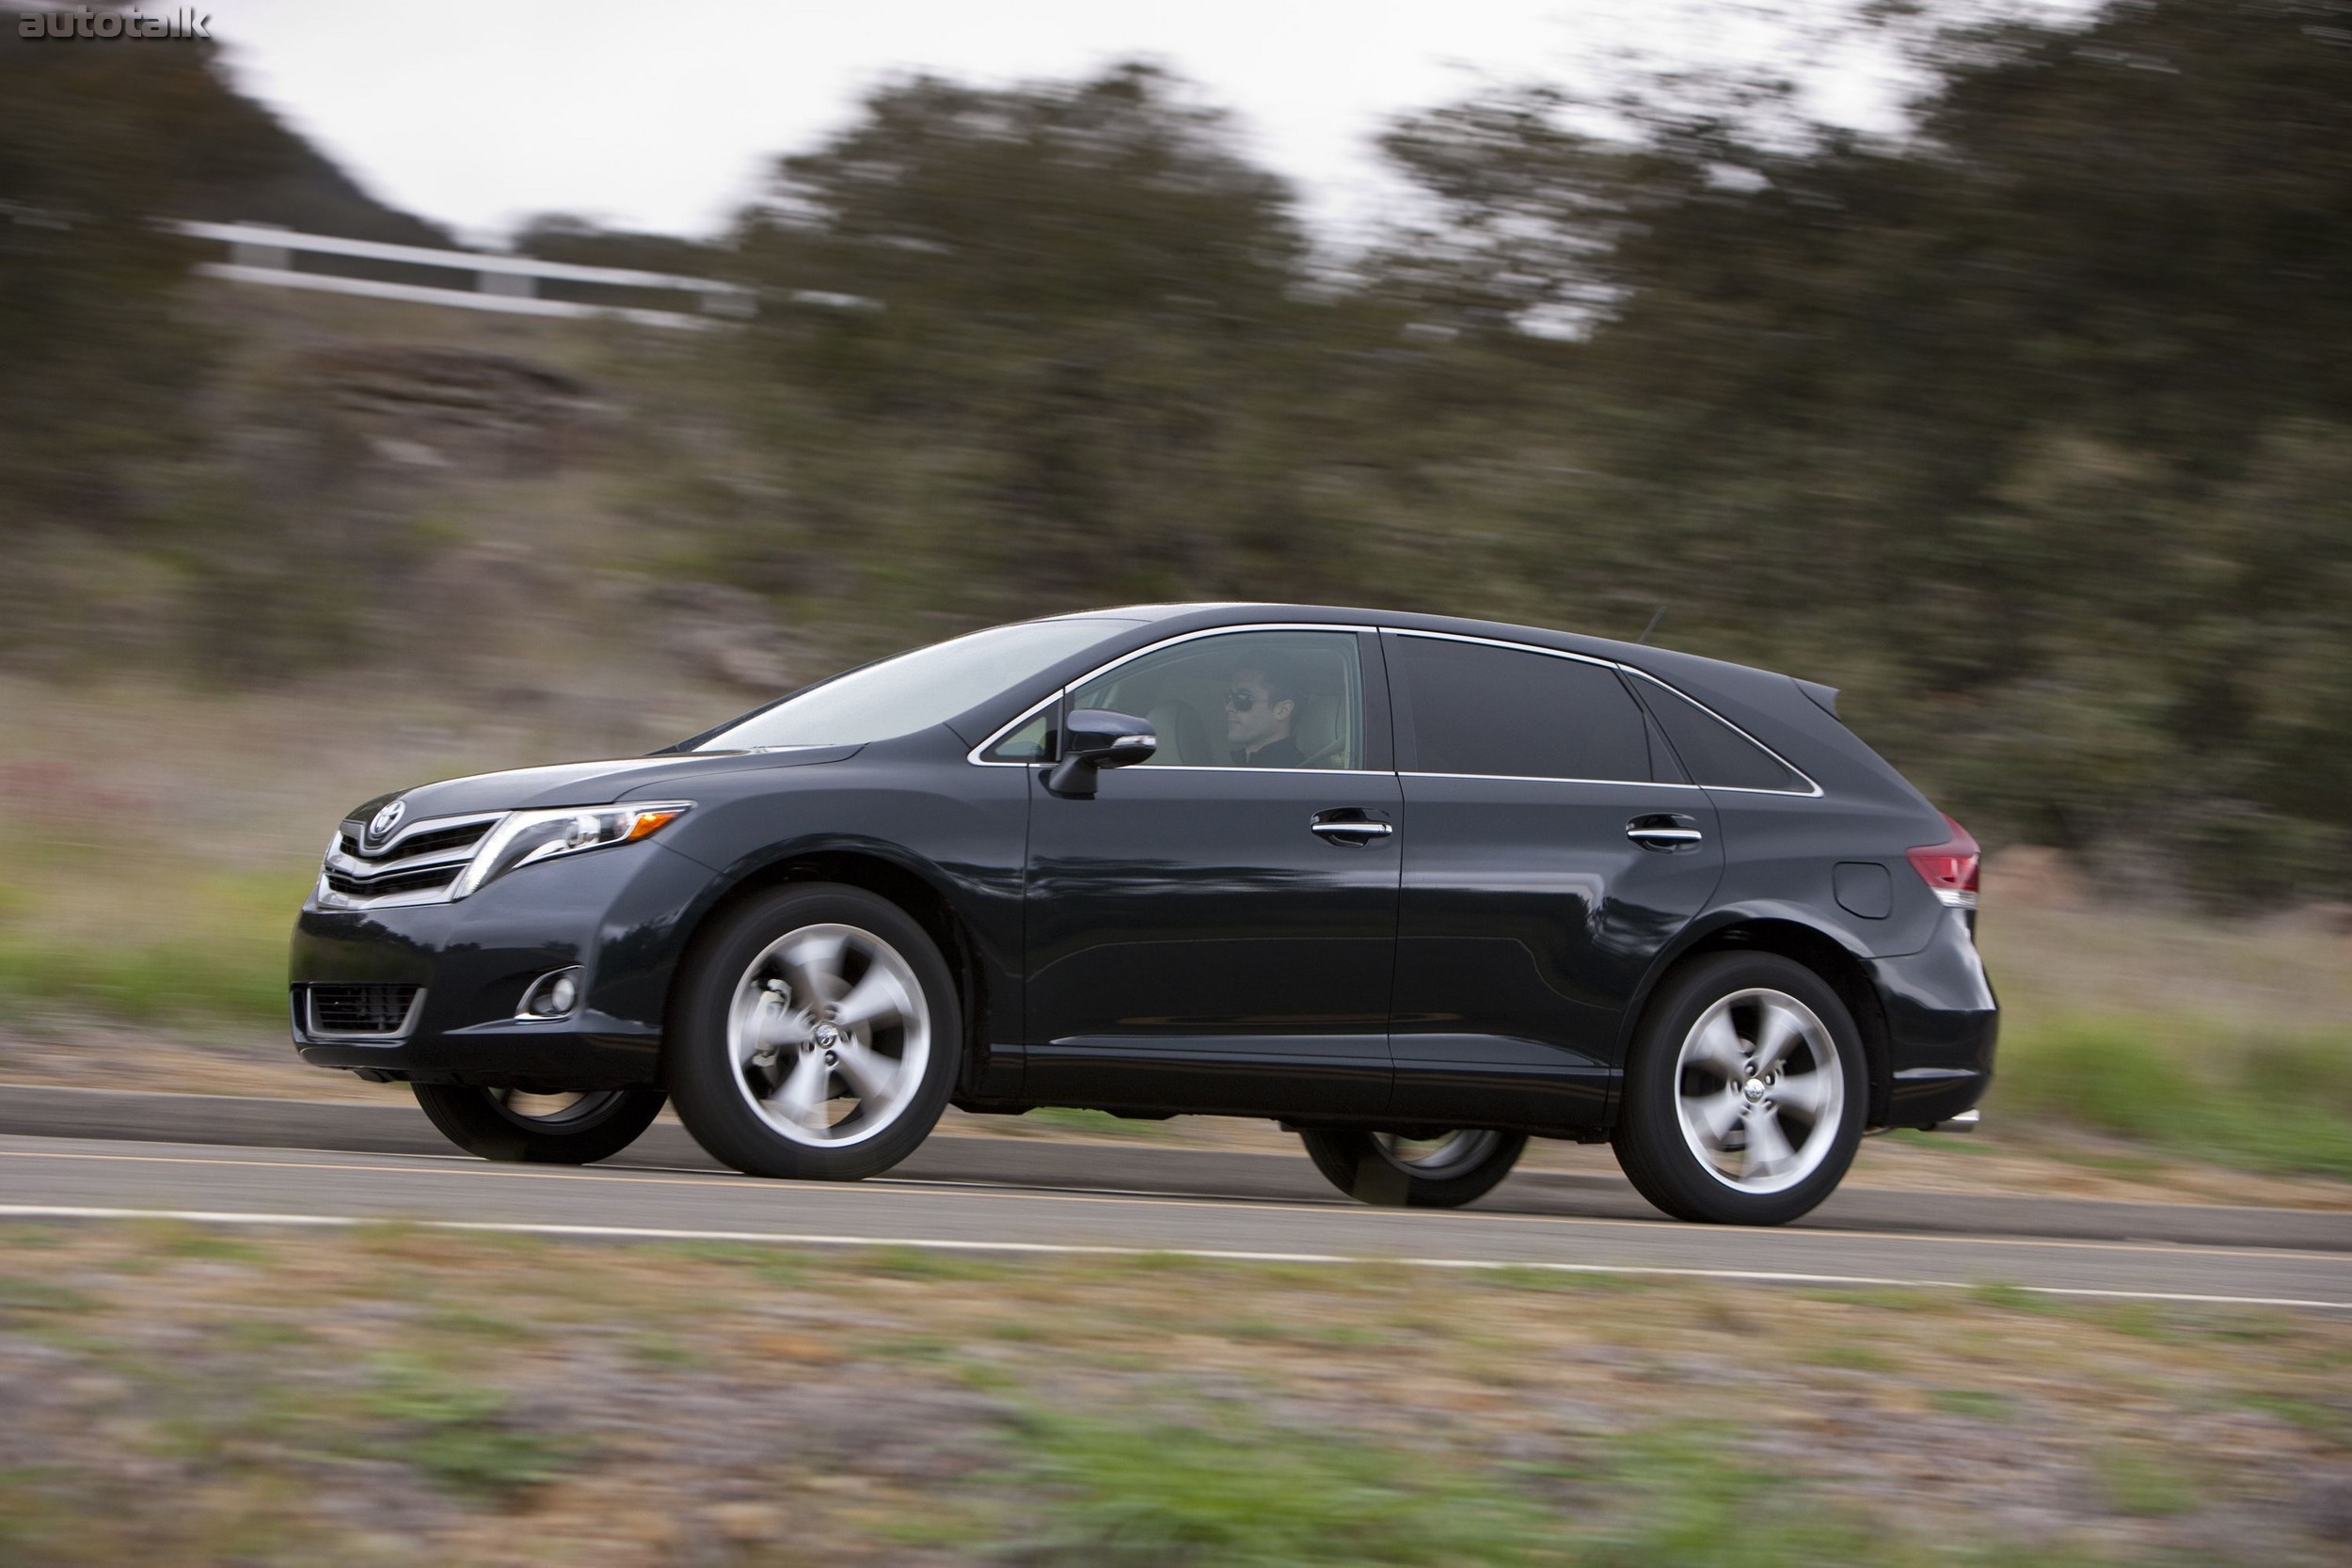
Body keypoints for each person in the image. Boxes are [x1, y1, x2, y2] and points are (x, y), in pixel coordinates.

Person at [1226, 655, 1305, 767]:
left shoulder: (1293, 772)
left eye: (1243, 698)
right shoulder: (1247, 765)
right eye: (1229, 697)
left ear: (1282, 711)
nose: (1228, 707)